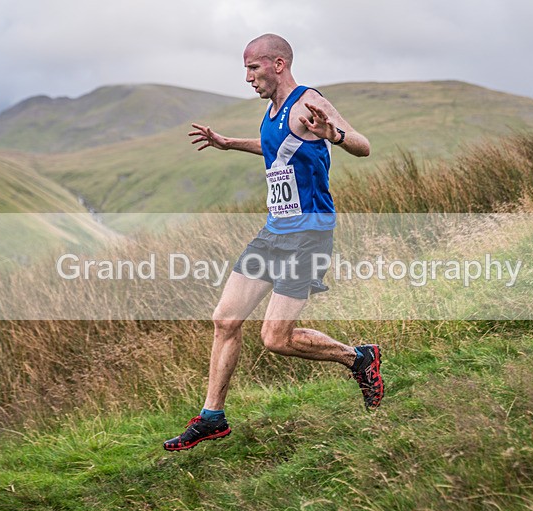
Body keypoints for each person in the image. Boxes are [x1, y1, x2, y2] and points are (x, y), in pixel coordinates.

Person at [163, 33, 384, 452]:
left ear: (278, 64)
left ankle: (359, 358)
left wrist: (334, 134)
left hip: (308, 234)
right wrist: (229, 144)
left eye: (253, 67)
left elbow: (364, 146)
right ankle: (212, 418)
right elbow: (276, 149)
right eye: (246, 69)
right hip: (274, 231)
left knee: (276, 338)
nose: (248, 77)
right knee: (225, 320)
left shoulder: (307, 101)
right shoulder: (272, 111)